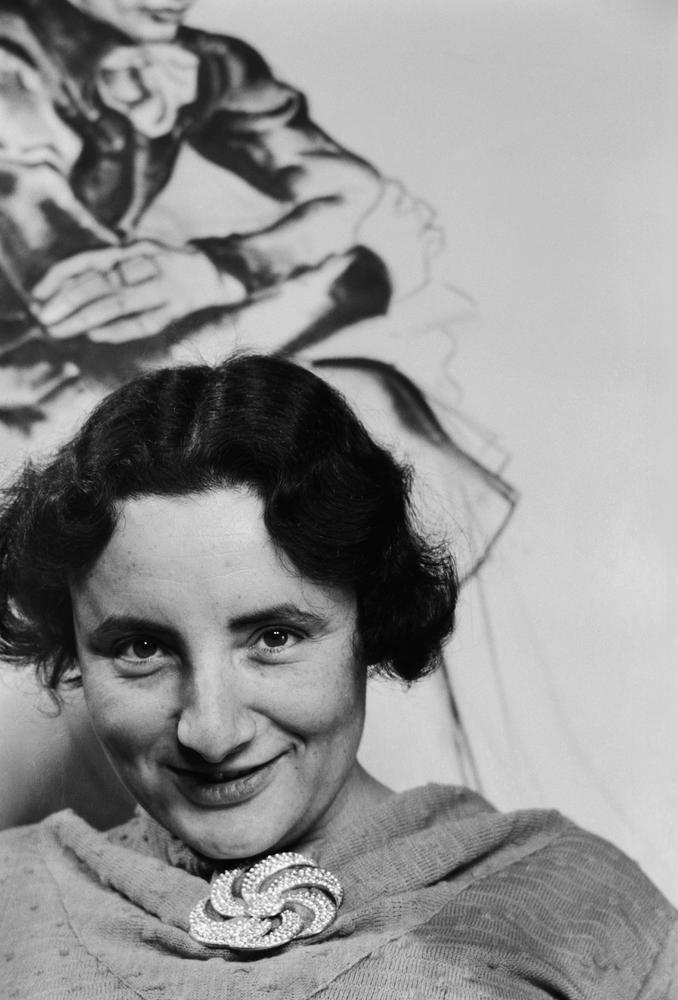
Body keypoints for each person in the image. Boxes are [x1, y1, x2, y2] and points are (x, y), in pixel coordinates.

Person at [0, 354, 675, 998]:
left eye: (274, 637)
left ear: (371, 618)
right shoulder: (14, 901)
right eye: (143, 648)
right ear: (74, 650)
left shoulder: (580, 910)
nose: (211, 732)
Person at [0, 0, 438, 416]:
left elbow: (351, 191)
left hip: (113, 370)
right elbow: (77, 298)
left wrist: (221, 270)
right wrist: (331, 288)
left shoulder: (205, 60)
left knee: (377, 393)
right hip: (32, 390)